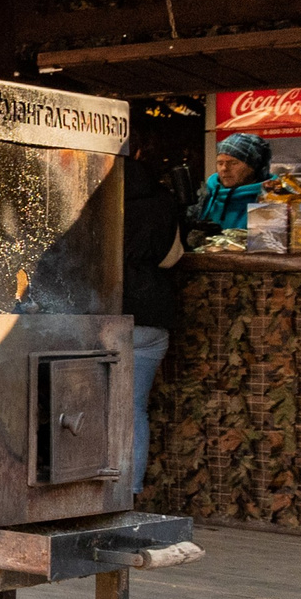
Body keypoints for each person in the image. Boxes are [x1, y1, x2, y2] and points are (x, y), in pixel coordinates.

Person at [122, 153, 185, 495]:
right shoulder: (165, 201)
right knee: (134, 408)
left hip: (111, 314)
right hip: (154, 317)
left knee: (89, 405)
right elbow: (173, 257)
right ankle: (131, 489)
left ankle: (97, 488)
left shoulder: (102, 199)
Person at [186, 132, 270, 237]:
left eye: (234, 163)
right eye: (220, 163)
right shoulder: (205, 195)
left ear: (254, 167)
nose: (224, 169)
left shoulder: (272, 198)